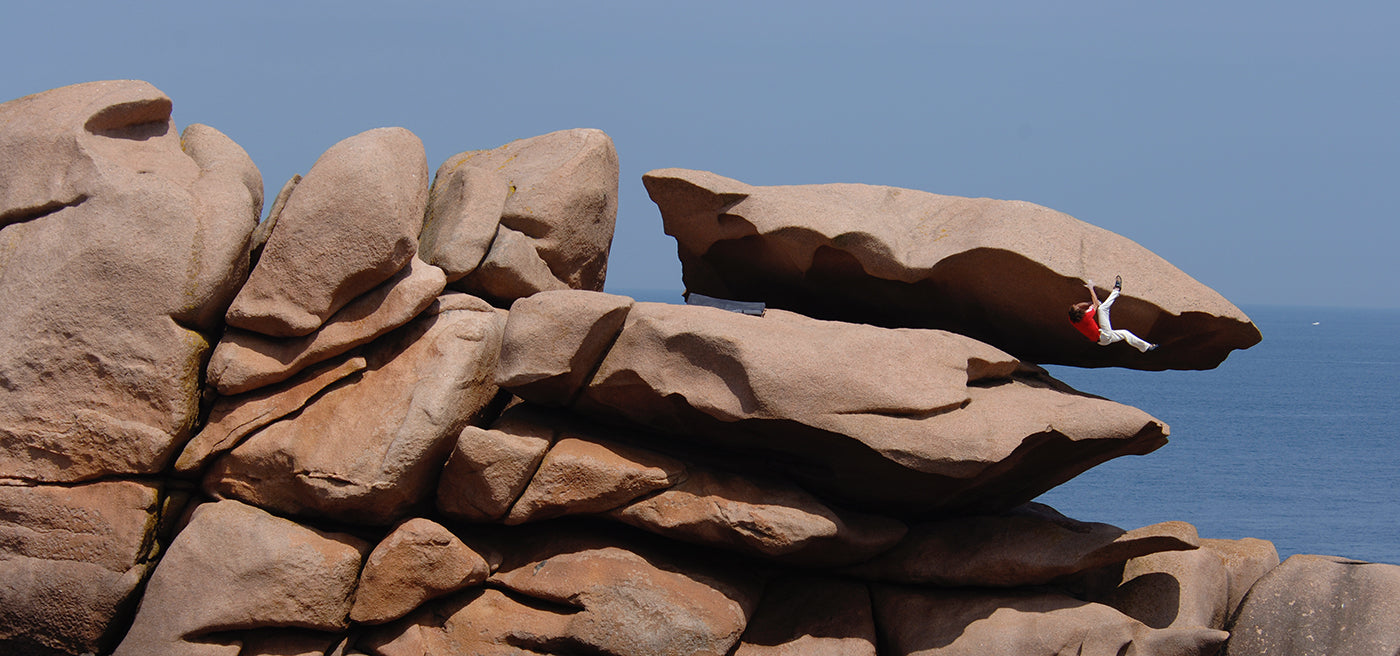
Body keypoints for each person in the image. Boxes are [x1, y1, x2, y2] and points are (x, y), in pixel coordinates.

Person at [1068, 275, 1157, 352]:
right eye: (1076, 307)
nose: (1077, 305)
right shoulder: (1086, 316)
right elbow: (1095, 304)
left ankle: (1146, 347)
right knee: (1102, 308)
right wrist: (1091, 288)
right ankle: (1117, 290)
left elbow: (1080, 306)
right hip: (1104, 336)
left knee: (1125, 333)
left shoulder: (1073, 320)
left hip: (1102, 341)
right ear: (1078, 311)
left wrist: (1088, 303)